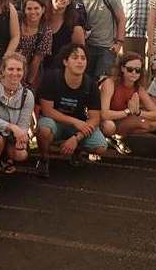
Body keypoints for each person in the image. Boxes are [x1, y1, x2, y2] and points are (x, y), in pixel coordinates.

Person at [36, 43, 108, 178]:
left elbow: (95, 118)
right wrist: (75, 122)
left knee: (101, 146)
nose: (80, 61)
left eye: (83, 58)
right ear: (65, 61)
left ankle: (77, 150)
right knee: (44, 129)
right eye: (75, 58)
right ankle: (44, 159)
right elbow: (47, 110)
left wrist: (77, 137)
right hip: (55, 121)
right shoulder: (52, 78)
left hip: (77, 127)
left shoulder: (90, 84)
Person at [0, 53, 35, 173]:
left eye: (19, 69)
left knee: (21, 154)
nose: (14, 73)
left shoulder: (28, 95)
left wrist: (21, 137)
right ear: (2, 70)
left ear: (23, 72)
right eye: (10, 69)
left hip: (12, 135)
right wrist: (12, 127)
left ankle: (7, 158)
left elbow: (24, 123)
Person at [99, 52, 156, 154]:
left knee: (153, 124)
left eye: (138, 70)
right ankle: (106, 139)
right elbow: (104, 114)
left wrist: (138, 112)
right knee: (109, 127)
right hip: (105, 121)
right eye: (130, 69)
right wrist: (128, 111)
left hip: (122, 121)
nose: (134, 73)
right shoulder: (110, 83)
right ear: (122, 68)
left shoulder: (139, 88)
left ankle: (119, 137)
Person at [81, 0, 126, 78]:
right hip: (89, 47)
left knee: (103, 80)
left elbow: (121, 19)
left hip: (107, 48)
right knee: (88, 80)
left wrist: (119, 43)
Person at [42, 0, 85, 70]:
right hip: (40, 70)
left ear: (69, 1)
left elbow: (79, 55)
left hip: (62, 72)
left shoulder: (75, 27)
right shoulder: (41, 19)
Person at [16, 0, 52, 88]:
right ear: (24, 10)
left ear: (43, 9)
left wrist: (28, 83)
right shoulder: (16, 21)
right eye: (29, 8)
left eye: (36, 8)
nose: (33, 12)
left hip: (29, 68)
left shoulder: (45, 31)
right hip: (9, 64)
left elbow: (37, 60)